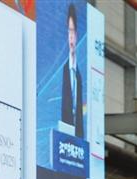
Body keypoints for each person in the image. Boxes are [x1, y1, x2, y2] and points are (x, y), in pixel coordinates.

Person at [61, 3, 84, 138]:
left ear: (76, 35)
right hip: (65, 137)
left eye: (72, 32)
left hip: (78, 140)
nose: (70, 37)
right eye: (68, 32)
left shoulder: (78, 75)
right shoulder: (64, 70)